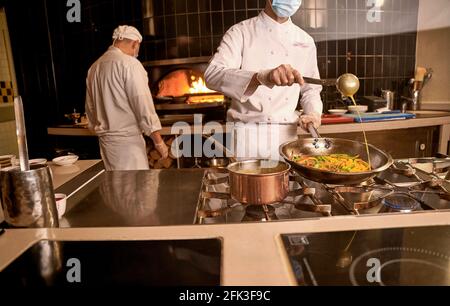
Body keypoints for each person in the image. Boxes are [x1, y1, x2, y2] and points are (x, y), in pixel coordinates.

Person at [205, 0, 323, 160]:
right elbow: (212, 74)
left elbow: (311, 90)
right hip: (247, 137)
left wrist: (314, 113)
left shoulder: (305, 40)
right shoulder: (241, 32)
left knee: (287, 185)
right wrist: (261, 77)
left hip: (286, 137)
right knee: (245, 185)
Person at [85, 25, 168, 170]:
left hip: (106, 145)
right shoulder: (130, 64)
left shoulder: (94, 68)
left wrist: (99, 128)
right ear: (135, 43)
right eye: (137, 48)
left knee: (117, 189)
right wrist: (158, 141)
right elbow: (142, 104)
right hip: (128, 145)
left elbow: (90, 108)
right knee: (138, 190)